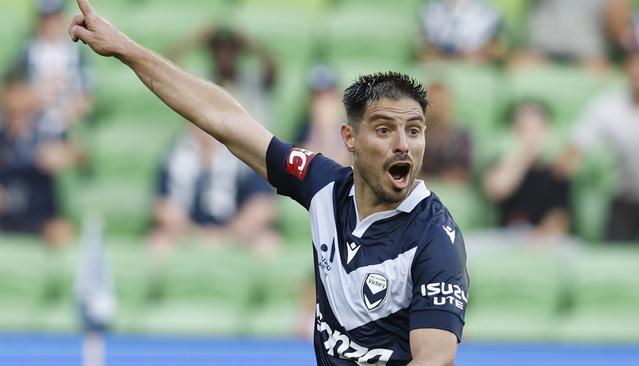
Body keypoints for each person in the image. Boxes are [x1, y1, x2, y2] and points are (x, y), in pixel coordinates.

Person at [68, 1, 469, 364]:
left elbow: (435, 360)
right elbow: (225, 120)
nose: (403, 145)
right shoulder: (323, 186)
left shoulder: (434, 237)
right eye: (384, 130)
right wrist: (127, 50)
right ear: (350, 138)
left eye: (414, 131)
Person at [148, 124, 278, 255]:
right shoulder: (176, 154)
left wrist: (229, 234)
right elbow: (163, 206)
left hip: (238, 230)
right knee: (157, 245)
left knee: (267, 245)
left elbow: (262, 206)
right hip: (187, 232)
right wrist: (194, 234)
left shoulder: (245, 155)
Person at [564, 51, 639, 242]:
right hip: (627, 197)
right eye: (635, 65)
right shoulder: (607, 106)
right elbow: (578, 144)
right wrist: (570, 163)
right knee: (613, 252)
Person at [0, 68, 85, 247]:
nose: (16, 101)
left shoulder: (49, 127)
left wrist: (64, 154)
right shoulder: (3, 133)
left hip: (43, 214)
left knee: (62, 233)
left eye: (21, 92)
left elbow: (81, 155)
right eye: (11, 93)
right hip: (7, 212)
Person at [483, 100, 571, 242]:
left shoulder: (557, 169)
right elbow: (497, 190)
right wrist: (524, 154)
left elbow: (560, 219)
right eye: (522, 130)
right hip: (508, 236)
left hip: (547, 239)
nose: (531, 136)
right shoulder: (504, 162)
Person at [20, 0, 93, 136]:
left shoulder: (76, 52)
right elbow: (18, 96)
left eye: (54, 17)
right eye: (46, 18)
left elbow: (86, 98)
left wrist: (70, 114)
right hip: (35, 123)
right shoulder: (28, 52)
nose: (50, 23)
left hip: (69, 122)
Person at [420, 81, 472, 184]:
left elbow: (461, 173)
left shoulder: (461, 134)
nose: (437, 107)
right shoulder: (418, 133)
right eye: (433, 102)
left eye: (441, 101)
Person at [419, 0, 504, 63]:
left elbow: (495, 48)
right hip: (441, 69)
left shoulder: (488, 11)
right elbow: (425, 53)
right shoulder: (431, 10)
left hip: (474, 70)